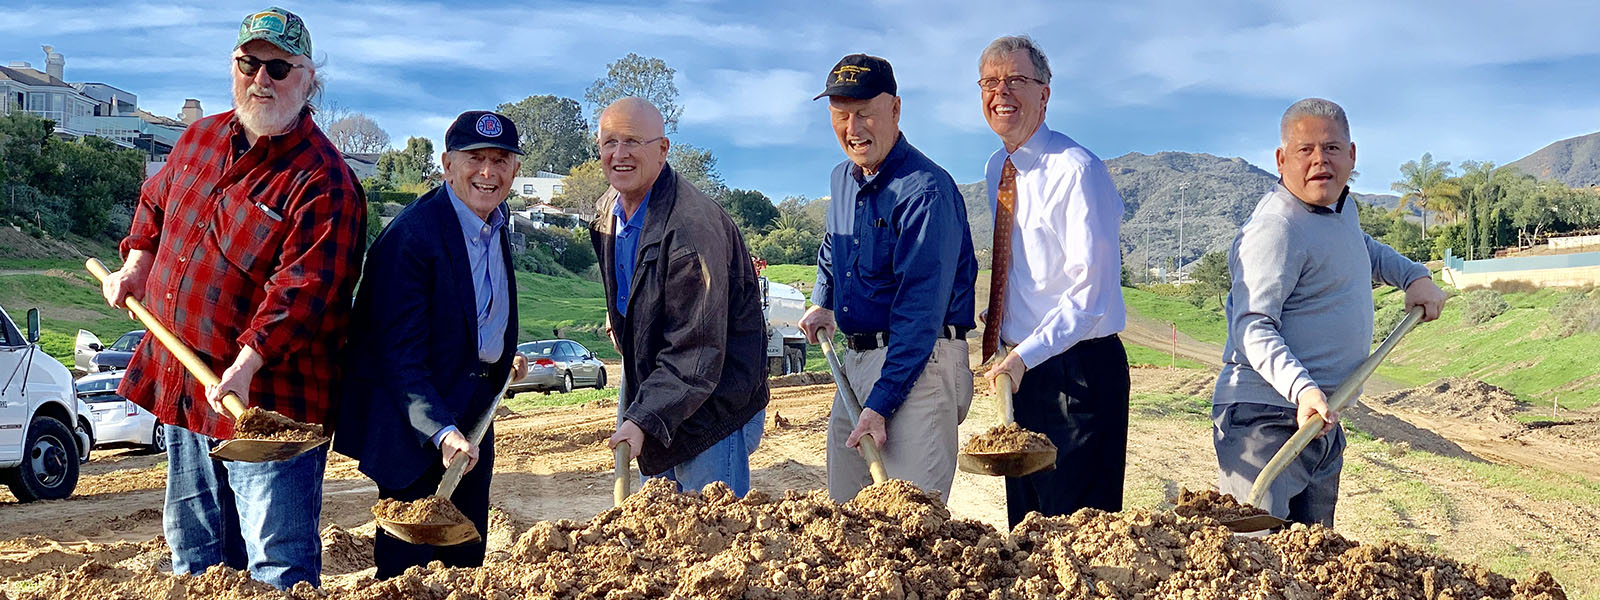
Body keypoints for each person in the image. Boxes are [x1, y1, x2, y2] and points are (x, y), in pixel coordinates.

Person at [99, 7, 365, 589]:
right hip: (191, 390)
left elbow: (303, 293)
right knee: (196, 558)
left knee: (277, 565)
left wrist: (245, 366)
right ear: (233, 66)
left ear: (308, 79)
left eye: (279, 67)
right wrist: (136, 266)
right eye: (250, 64)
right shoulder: (197, 138)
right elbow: (154, 205)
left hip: (269, 408)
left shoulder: (325, 181)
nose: (261, 80)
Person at [1212, 98, 1446, 527]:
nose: (1320, 160)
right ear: (1282, 160)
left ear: (1352, 155)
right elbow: (1252, 326)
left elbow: (1364, 249)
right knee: (1259, 554)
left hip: (1322, 417)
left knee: (1315, 558)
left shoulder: (1339, 209)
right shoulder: (1276, 228)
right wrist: (1302, 389)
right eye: (1306, 150)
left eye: (1332, 148)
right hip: (1266, 418)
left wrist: (1414, 276)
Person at [335, 110, 528, 577]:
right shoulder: (413, 237)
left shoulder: (495, 225)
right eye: (475, 158)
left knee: (465, 567)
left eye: (500, 160)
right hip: (414, 435)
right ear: (446, 164)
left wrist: (499, 361)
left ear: (515, 170)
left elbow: (470, 321)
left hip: (472, 425)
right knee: (410, 577)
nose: (488, 171)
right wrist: (441, 431)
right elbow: (397, 355)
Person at [799, 54, 978, 503]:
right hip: (857, 362)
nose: (853, 128)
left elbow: (920, 310)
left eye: (865, 113)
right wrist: (824, 297)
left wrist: (882, 403)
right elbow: (833, 245)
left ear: (895, 110)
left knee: (909, 528)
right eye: (842, 116)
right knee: (847, 518)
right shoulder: (843, 178)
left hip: (920, 364)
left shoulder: (926, 191)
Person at [974, 36, 1131, 528]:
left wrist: (1023, 355)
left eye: (1017, 80)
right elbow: (1027, 267)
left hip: (1078, 377)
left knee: (1078, 535)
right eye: (991, 82)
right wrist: (1002, 317)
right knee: (1027, 528)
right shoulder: (998, 168)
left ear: (1045, 94)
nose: (1003, 91)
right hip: (1026, 373)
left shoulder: (1077, 171)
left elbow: (1091, 294)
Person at [591, 97, 769, 496]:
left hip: (712, 403)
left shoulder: (692, 230)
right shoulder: (607, 213)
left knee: (714, 539)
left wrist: (642, 418)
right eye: (609, 142)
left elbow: (698, 350)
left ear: (662, 149)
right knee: (660, 541)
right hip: (660, 389)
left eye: (633, 141)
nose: (620, 154)